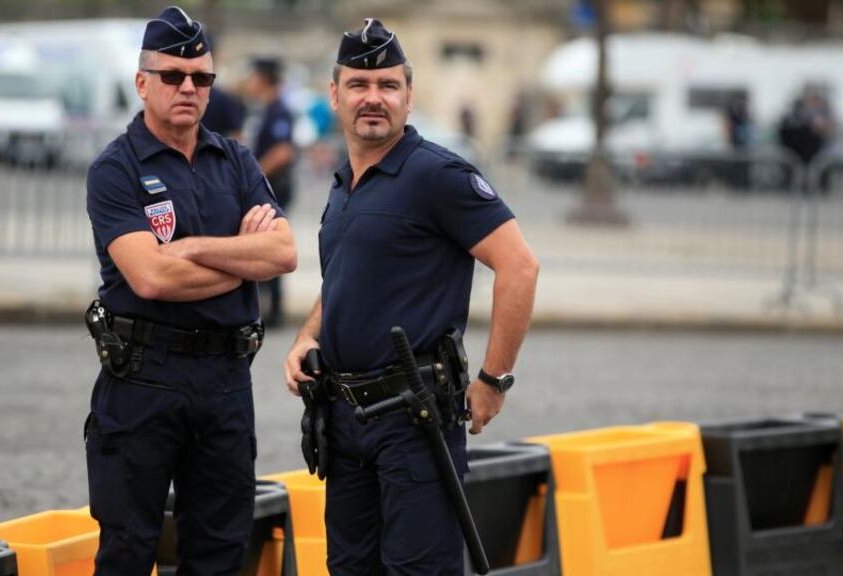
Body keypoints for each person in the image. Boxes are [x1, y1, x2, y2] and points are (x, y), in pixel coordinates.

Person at [282, 18, 538, 574]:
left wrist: (494, 381)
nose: (373, 99)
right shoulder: (344, 184)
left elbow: (519, 266)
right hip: (346, 419)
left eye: (388, 86)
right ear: (334, 94)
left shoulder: (436, 176)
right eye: (358, 85)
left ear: (408, 96)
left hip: (414, 422)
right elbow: (347, 282)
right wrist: (307, 336)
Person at [83, 6, 297, 575]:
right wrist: (238, 257)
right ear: (142, 82)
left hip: (225, 381)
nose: (189, 88)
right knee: (128, 550)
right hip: (143, 380)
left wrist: (191, 249)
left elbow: (282, 253)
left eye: (202, 78)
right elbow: (149, 277)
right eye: (174, 75)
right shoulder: (116, 169)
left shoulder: (236, 161)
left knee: (221, 554)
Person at [245, 56, 296, 327]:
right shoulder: (266, 109)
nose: (249, 83)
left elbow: (283, 151)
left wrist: (254, 174)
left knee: (272, 245)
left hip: (276, 187)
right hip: (270, 185)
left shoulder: (279, 110)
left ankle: (274, 311)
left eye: (253, 77)